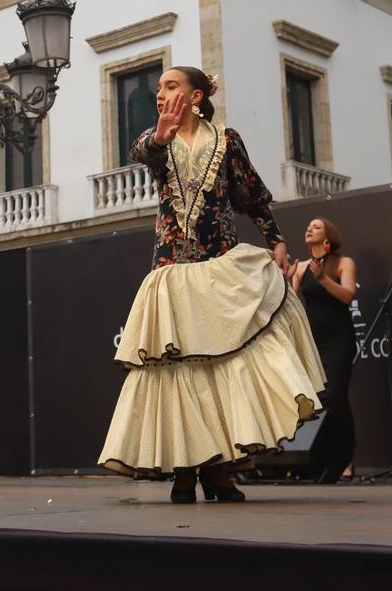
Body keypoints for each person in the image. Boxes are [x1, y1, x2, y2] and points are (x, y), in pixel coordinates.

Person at [99, 67, 325, 503]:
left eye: (170, 85)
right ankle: (185, 472)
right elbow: (142, 152)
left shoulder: (227, 141)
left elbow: (251, 195)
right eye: (160, 88)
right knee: (181, 374)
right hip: (173, 270)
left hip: (219, 265)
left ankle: (219, 471)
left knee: (220, 372)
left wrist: (275, 239)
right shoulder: (156, 141)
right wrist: (160, 136)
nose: (160, 93)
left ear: (196, 95)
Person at [288, 218, 359, 482]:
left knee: (336, 397)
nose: (309, 229)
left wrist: (323, 279)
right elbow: (293, 306)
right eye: (307, 226)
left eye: (316, 227)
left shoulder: (344, 263)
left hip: (339, 339)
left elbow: (348, 295)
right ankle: (326, 460)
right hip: (313, 341)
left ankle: (345, 458)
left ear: (328, 235)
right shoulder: (301, 268)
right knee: (318, 401)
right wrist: (287, 282)